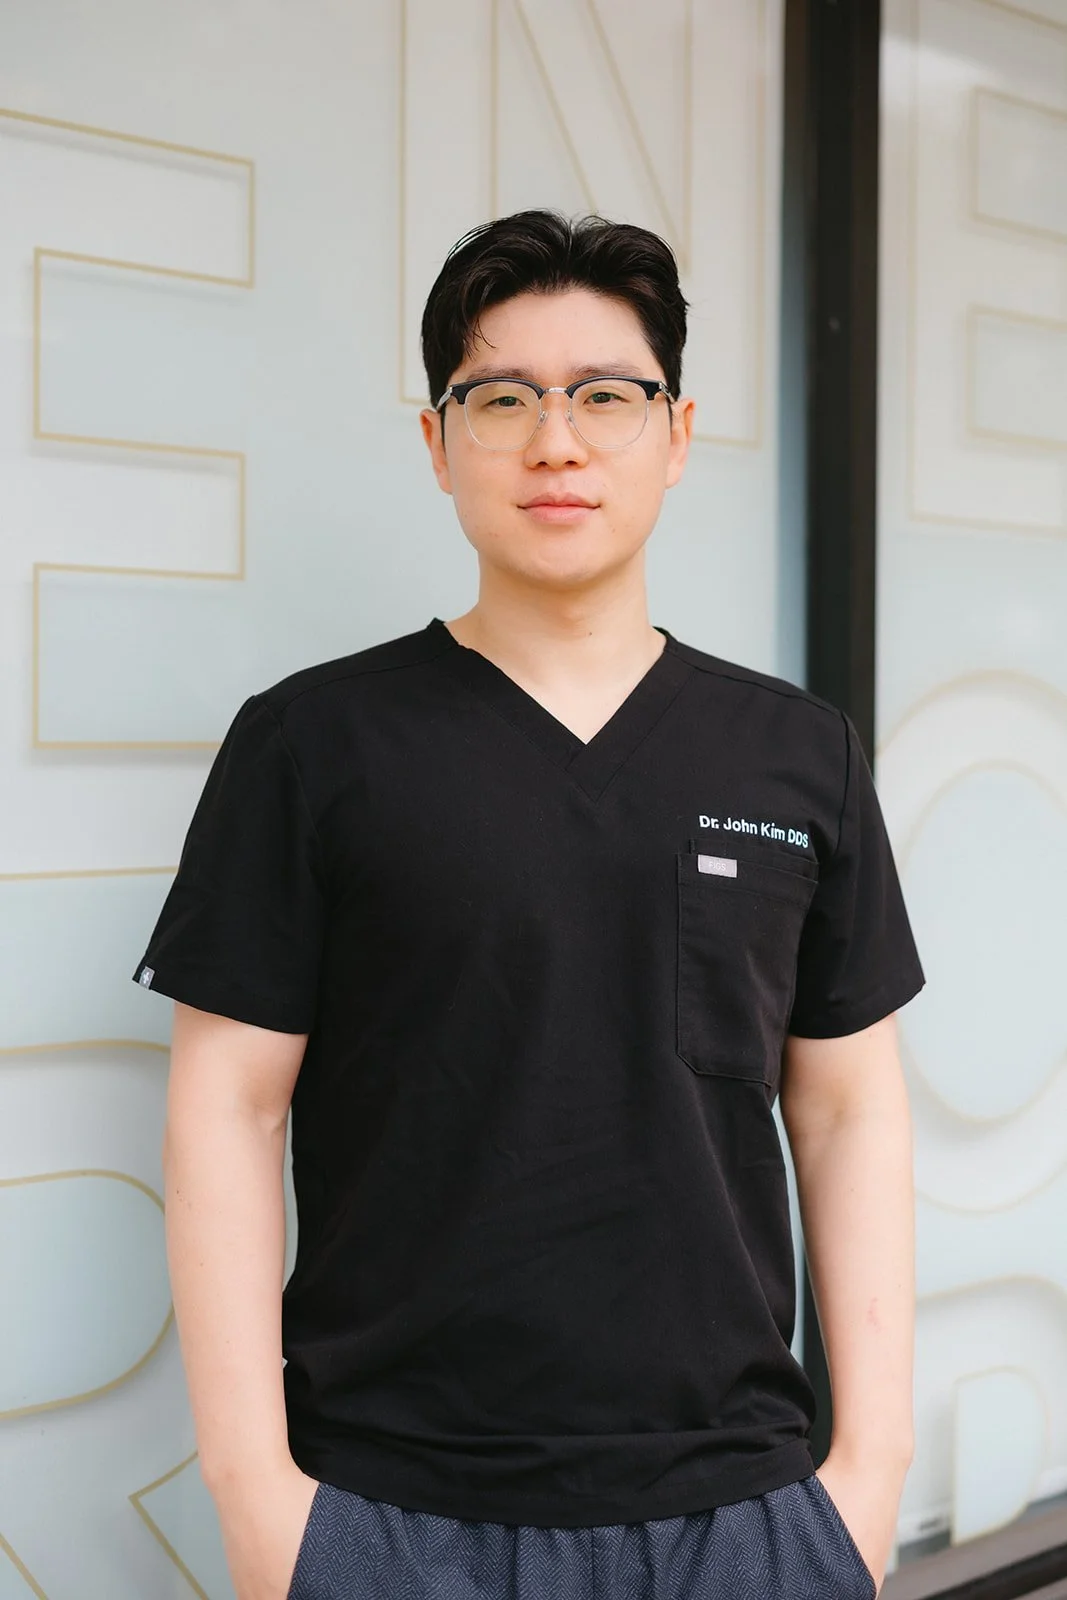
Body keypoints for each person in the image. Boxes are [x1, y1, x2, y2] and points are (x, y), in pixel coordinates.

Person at [133, 209, 923, 1600]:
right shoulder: (312, 745)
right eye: (500, 399)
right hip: (391, 1510)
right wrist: (255, 1491)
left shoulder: (796, 753)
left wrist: (869, 1475)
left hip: (745, 1509)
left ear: (676, 436)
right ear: (438, 444)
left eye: (605, 396)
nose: (556, 442)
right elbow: (227, 1107)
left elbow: (847, 1108)